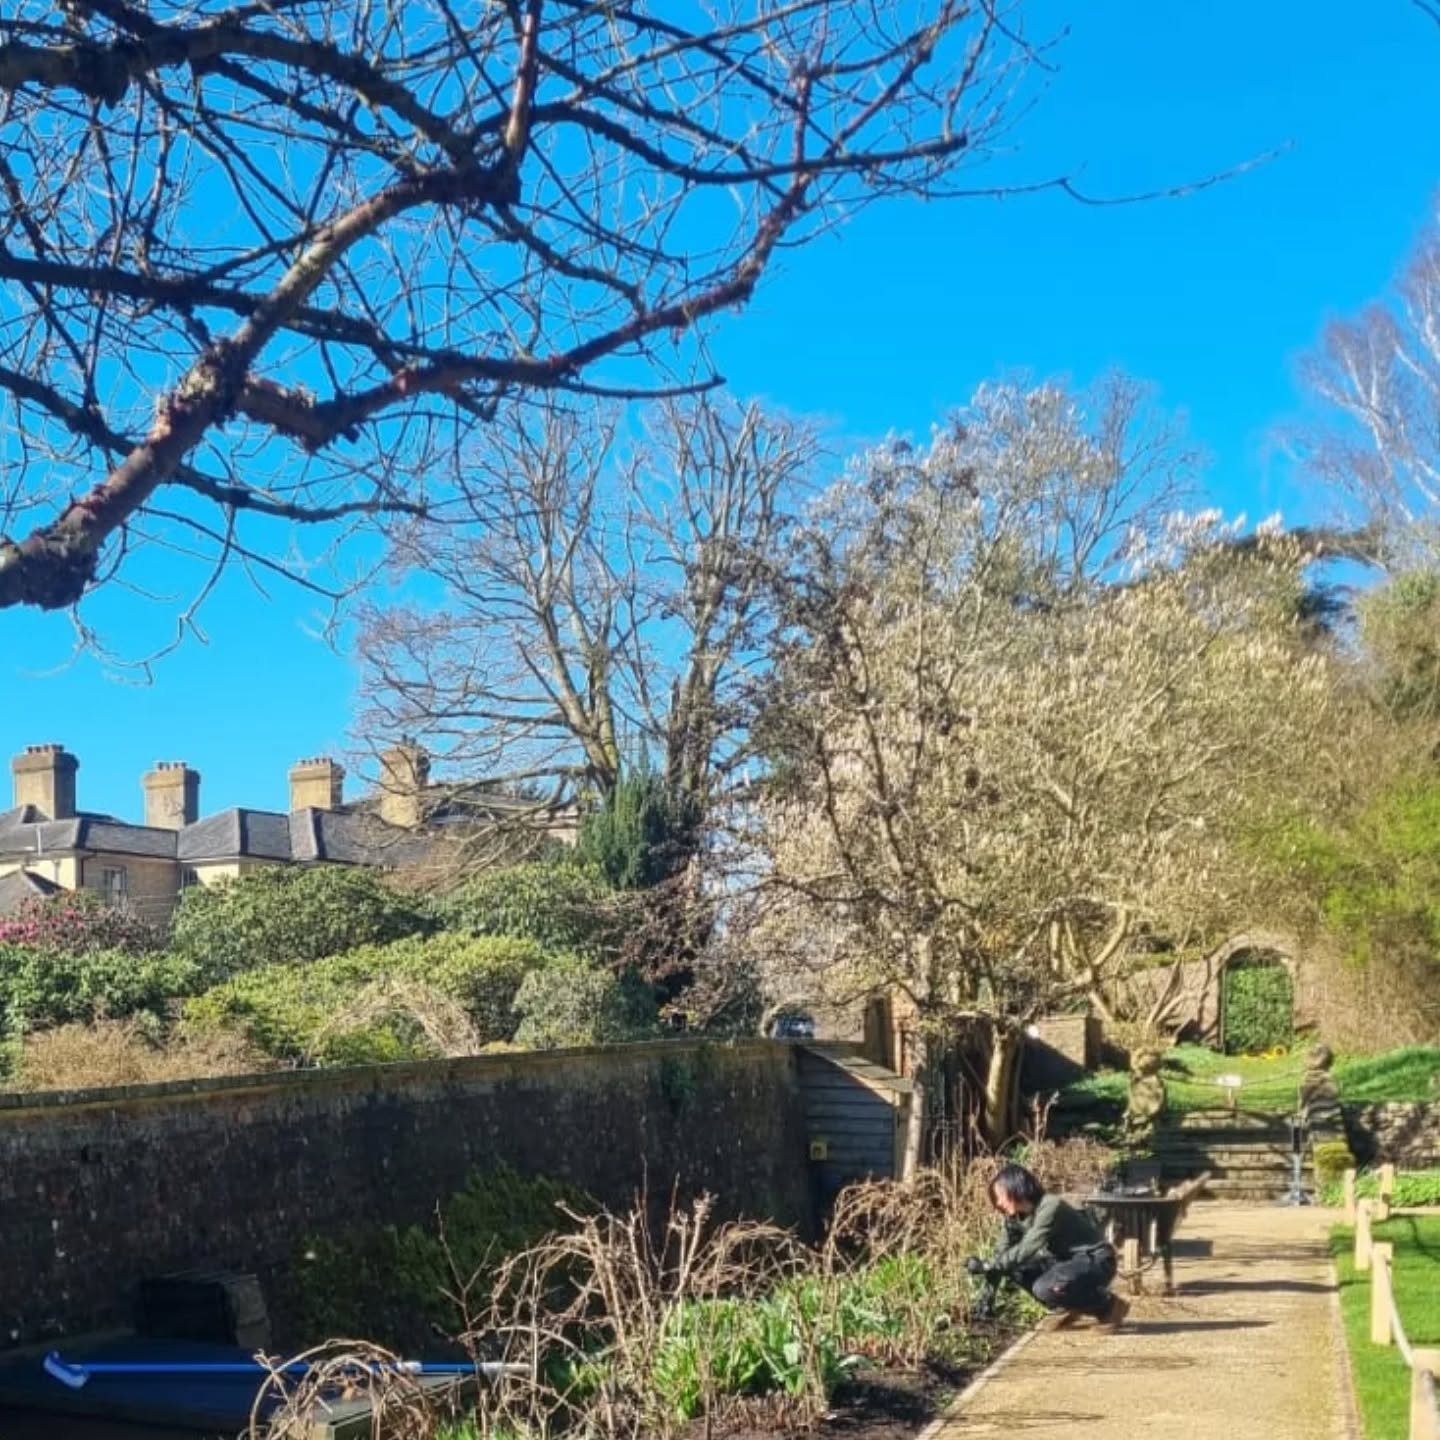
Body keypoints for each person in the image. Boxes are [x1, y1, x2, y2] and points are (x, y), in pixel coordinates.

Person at [970, 1162, 1129, 1331]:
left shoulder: (1050, 1205)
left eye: (1000, 1196)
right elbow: (1000, 1256)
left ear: (1015, 1187)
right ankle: (1066, 1307)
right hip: (1066, 1263)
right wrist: (986, 1300)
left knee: (1044, 1288)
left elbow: (1029, 1246)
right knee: (1016, 1269)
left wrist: (989, 1264)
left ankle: (1108, 1306)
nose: (998, 1203)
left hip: (1097, 1260)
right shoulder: (1014, 1219)